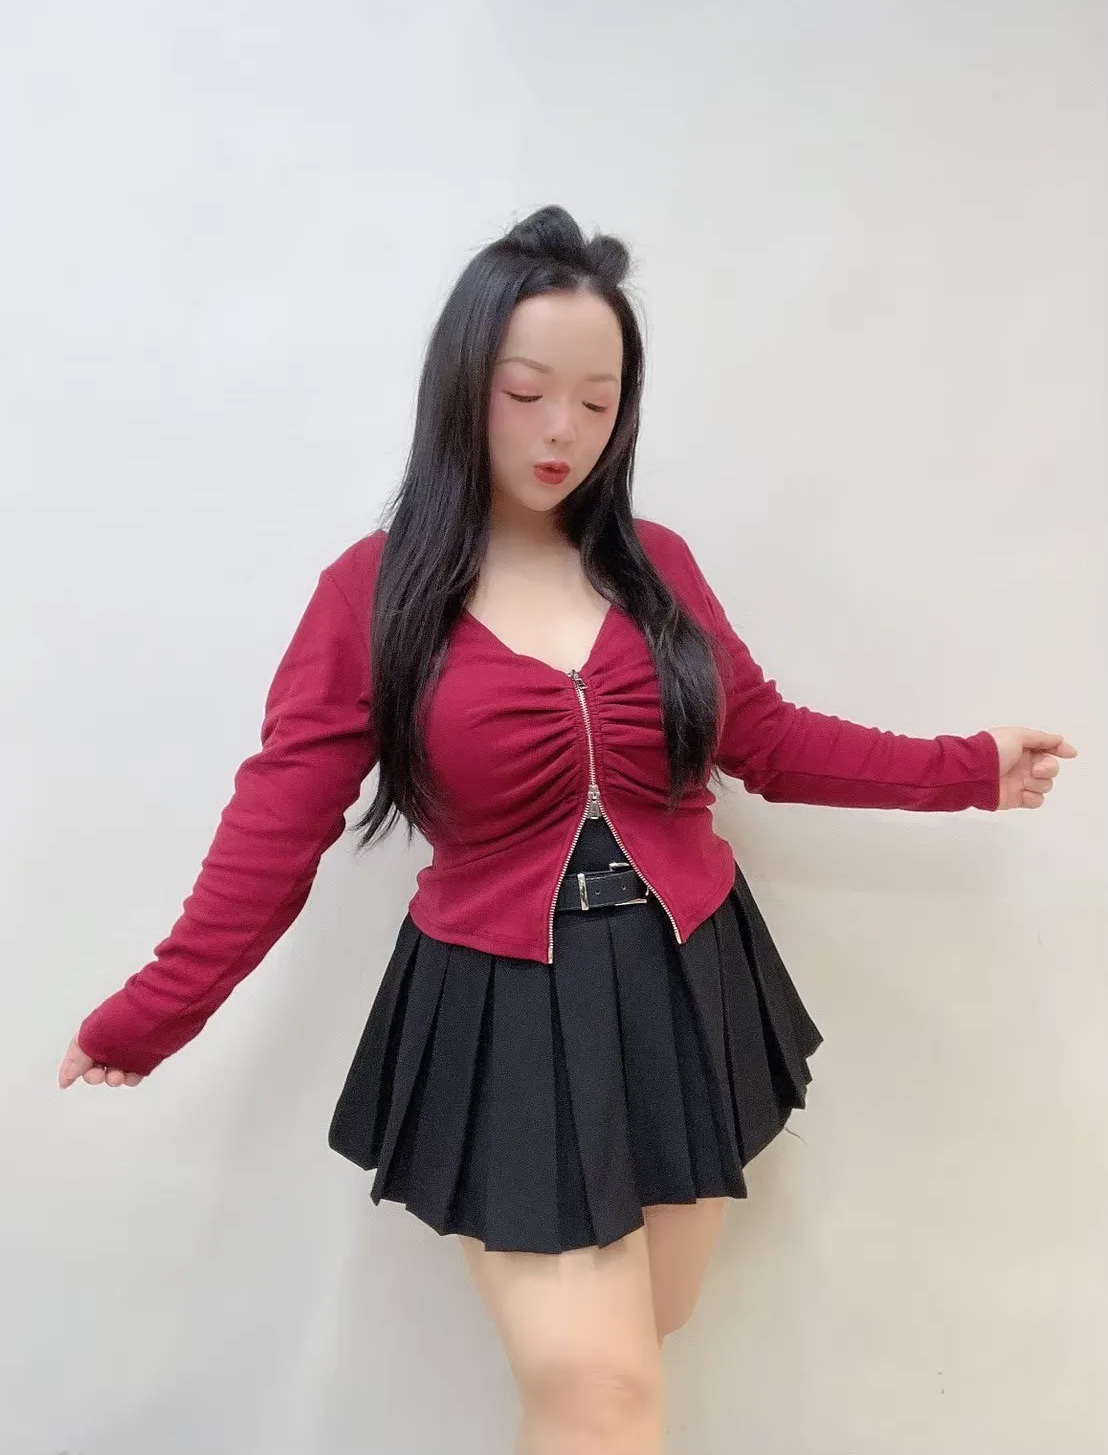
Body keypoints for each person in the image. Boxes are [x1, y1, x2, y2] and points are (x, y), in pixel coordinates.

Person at [58, 205, 1075, 1455]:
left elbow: (765, 738)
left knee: (637, 1347)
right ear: (462, 387)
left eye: (597, 402)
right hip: (506, 1004)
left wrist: (969, 768)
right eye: (527, 392)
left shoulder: (657, 565)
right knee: (601, 1394)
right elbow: (276, 825)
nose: (561, 432)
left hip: (684, 983)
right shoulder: (372, 592)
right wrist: (155, 1010)